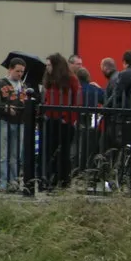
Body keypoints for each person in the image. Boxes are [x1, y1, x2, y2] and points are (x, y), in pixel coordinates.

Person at [0, 58, 31, 192]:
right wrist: (5, 107)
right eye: (17, 71)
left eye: (22, 71)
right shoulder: (0, 83)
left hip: (19, 123)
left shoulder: (23, 86)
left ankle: (13, 183)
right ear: (10, 69)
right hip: (3, 122)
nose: (20, 74)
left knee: (15, 156)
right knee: (2, 155)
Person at [39, 52, 81, 190]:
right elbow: (46, 99)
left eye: (49, 65)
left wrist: (70, 119)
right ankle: (48, 180)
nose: (47, 68)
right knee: (48, 151)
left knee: (63, 153)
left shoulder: (71, 79)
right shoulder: (49, 80)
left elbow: (78, 101)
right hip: (50, 119)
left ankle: (63, 181)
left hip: (65, 121)